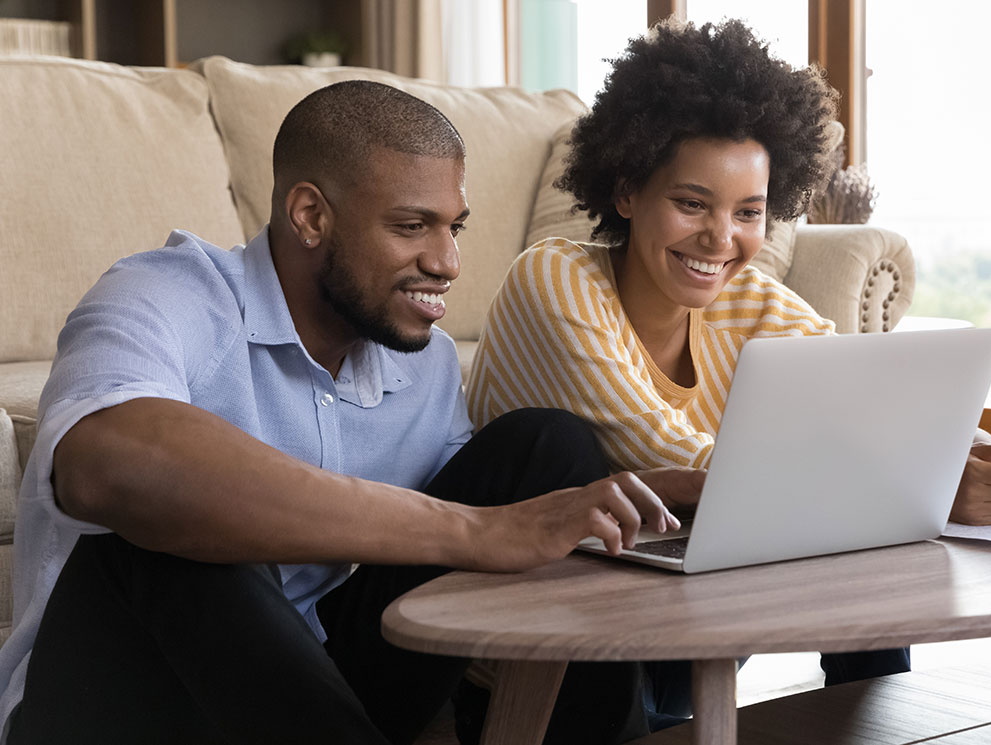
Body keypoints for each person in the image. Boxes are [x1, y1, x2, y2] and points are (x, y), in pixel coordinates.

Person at [466, 17, 991, 732]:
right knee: (844, 494)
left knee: (858, 501)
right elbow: (677, 460)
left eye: (747, 212)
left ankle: (875, 722)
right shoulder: (554, 280)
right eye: (691, 203)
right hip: (546, 663)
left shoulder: (749, 300)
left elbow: (878, 404)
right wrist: (932, 488)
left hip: (680, 613)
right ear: (626, 191)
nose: (721, 239)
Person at [0, 80, 703, 745]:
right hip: (121, 708)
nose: (449, 261)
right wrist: (479, 529)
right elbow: (109, 465)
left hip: (315, 697)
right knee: (171, 525)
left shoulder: (416, 356)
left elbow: (475, 542)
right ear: (311, 215)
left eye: (454, 227)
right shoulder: (162, 294)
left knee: (545, 448)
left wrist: (587, 509)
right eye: (411, 226)